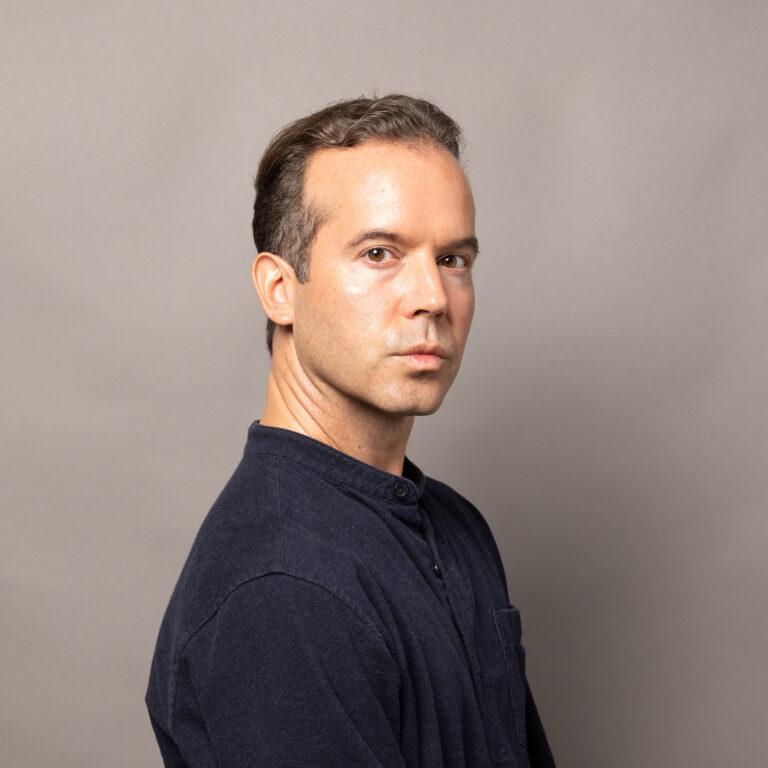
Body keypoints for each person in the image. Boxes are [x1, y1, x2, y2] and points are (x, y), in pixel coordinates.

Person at [146, 94, 556, 768]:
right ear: (280, 289)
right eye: (379, 253)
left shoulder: (455, 526)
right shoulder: (281, 589)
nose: (432, 297)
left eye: (454, 259)